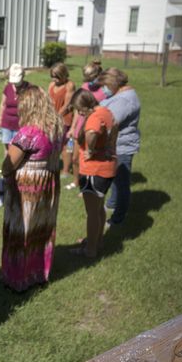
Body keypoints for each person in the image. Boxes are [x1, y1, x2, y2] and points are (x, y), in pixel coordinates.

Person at [0, 86, 63, 291]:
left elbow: (9, 163)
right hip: (49, 184)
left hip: (28, 188)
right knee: (41, 229)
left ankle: (18, 278)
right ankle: (38, 273)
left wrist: (4, 172)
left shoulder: (28, 133)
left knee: (23, 232)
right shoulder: (56, 127)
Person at [71, 89, 117, 258]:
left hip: (94, 170)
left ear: (85, 104)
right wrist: (110, 146)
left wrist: (90, 149)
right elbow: (116, 125)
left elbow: (91, 133)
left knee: (92, 213)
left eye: (79, 108)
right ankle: (98, 241)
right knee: (99, 208)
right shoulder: (105, 111)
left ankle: (90, 250)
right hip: (107, 168)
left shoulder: (94, 118)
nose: (79, 112)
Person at [99, 67, 140, 228]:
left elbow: (111, 122)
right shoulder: (122, 95)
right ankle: (111, 203)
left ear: (113, 83)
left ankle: (118, 218)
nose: (104, 89)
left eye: (106, 85)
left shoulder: (124, 100)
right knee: (117, 179)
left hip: (120, 146)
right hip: (118, 144)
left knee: (122, 183)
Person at [68, 62, 106, 191]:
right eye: (86, 79)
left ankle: (88, 187)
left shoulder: (103, 92)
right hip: (80, 127)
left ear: (97, 76)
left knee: (88, 160)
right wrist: (73, 128)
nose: (88, 81)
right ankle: (76, 181)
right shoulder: (84, 87)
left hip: (92, 128)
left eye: (90, 78)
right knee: (75, 158)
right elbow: (77, 110)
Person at [48, 62, 76, 179]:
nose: (54, 79)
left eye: (57, 76)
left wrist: (55, 117)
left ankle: (65, 170)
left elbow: (67, 105)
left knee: (66, 145)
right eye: (53, 76)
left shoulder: (70, 85)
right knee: (53, 144)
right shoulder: (52, 84)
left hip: (65, 120)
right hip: (52, 118)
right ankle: (52, 166)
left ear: (64, 74)